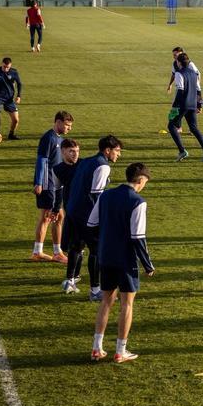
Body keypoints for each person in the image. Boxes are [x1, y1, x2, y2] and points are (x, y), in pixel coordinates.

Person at [88, 162, 154, 363]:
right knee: (127, 304)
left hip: (106, 256)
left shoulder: (106, 195)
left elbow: (91, 224)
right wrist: (147, 264)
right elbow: (138, 237)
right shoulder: (138, 202)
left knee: (106, 301)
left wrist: (103, 243)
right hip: (126, 259)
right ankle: (120, 350)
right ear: (141, 180)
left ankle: (96, 347)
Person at [65, 135, 123, 301]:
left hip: (73, 210)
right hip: (87, 214)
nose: (118, 154)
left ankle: (69, 281)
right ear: (107, 150)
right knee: (96, 251)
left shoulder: (86, 161)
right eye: (117, 151)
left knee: (76, 246)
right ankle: (95, 290)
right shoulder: (103, 166)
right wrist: (102, 217)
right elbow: (96, 195)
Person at [32, 110, 74, 263]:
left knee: (59, 216)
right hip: (47, 183)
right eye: (67, 125)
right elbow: (41, 160)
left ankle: (57, 252)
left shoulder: (59, 139)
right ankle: (38, 251)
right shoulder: (48, 138)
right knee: (46, 216)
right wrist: (39, 183)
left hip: (56, 184)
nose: (69, 128)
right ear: (58, 122)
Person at [166, 50, 203, 162]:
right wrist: (199, 105)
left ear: (179, 62)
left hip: (182, 105)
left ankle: (182, 151)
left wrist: (174, 106)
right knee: (194, 128)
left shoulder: (179, 73)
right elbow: (198, 90)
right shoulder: (194, 74)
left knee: (171, 126)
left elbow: (180, 91)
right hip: (192, 104)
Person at [52, 139, 83, 292]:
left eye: (77, 151)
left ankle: (73, 278)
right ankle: (73, 277)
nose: (75, 154)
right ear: (63, 151)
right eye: (71, 151)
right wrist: (56, 209)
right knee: (72, 246)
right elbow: (57, 189)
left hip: (88, 211)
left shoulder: (84, 164)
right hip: (71, 211)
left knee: (79, 246)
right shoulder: (57, 169)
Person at [0, 57, 23, 140]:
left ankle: (11, 134)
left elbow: (19, 84)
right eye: (4, 67)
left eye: (8, 67)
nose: (6, 69)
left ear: (10, 66)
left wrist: (18, 96)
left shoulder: (14, 72)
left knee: (16, 120)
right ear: (1, 64)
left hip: (9, 99)